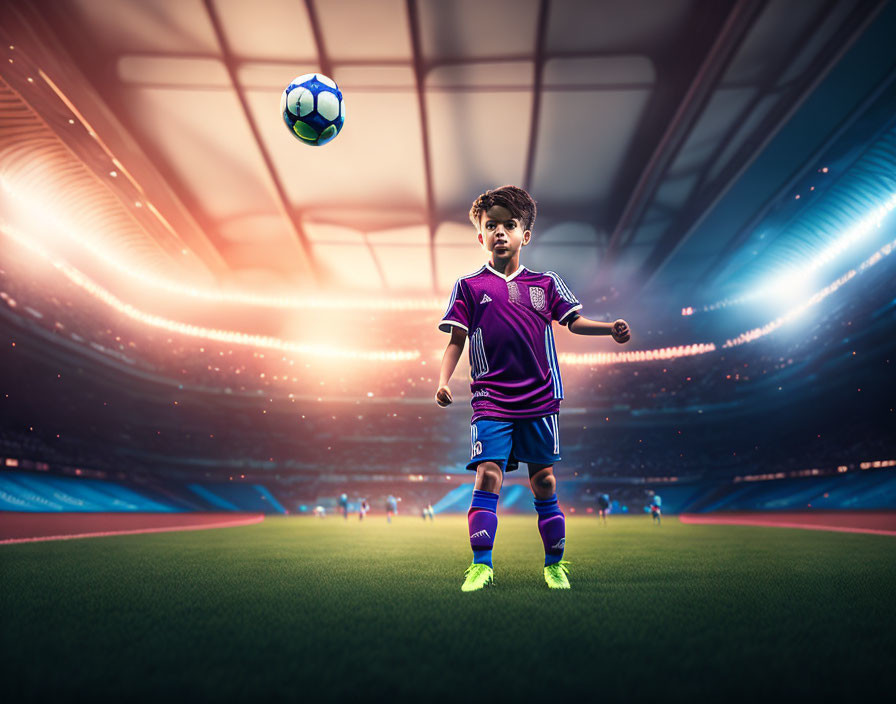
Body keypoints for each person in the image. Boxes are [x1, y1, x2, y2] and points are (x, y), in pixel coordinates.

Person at [435, 185, 631, 591]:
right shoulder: (469, 287)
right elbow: (455, 340)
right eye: (492, 226)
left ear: (525, 235)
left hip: (540, 397)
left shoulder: (546, 283)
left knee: (544, 481)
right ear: (481, 236)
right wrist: (443, 381)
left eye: (510, 225)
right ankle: (482, 565)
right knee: (487, 475)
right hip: (490, 399)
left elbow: (573, 322)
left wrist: (608, 328)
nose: (500, 232)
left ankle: (554, 564)